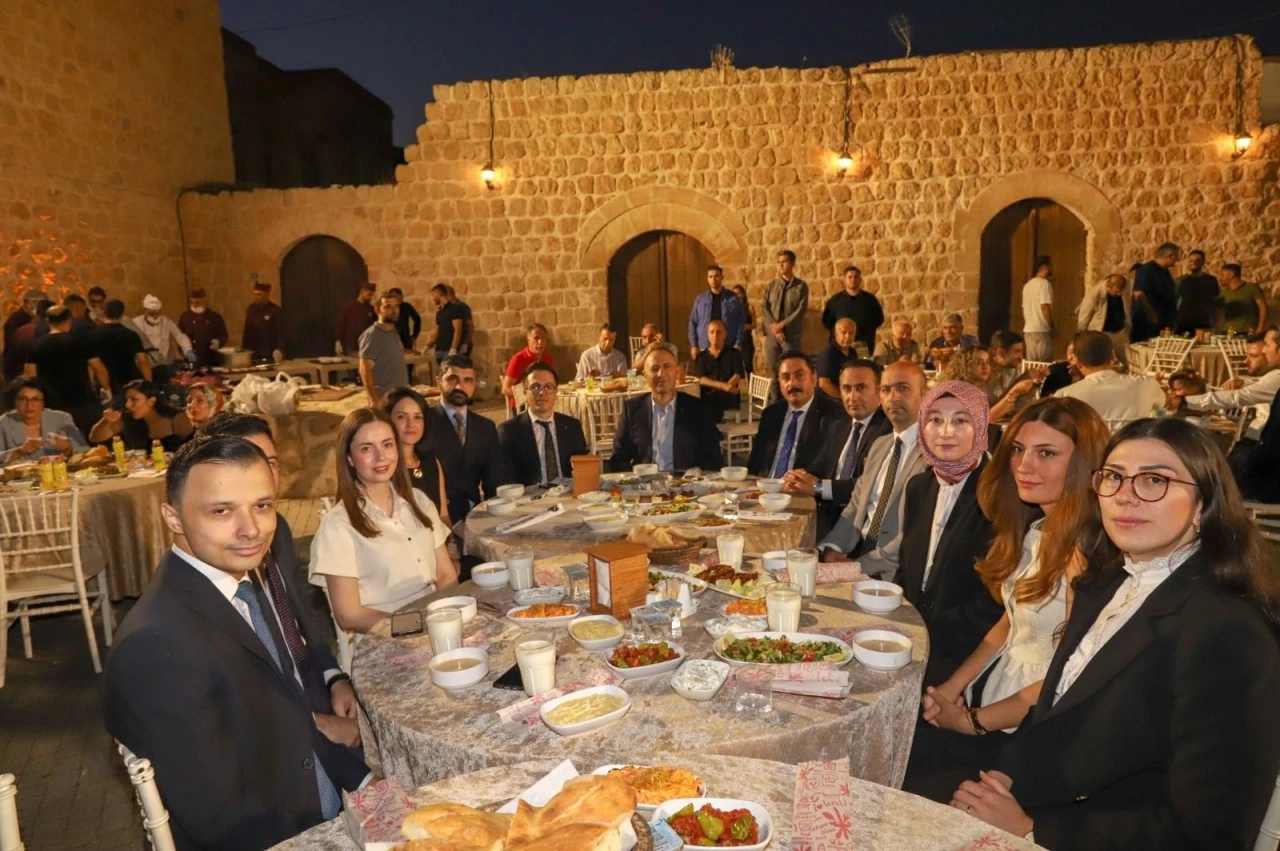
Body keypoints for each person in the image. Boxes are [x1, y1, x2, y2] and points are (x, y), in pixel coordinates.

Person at [954, 419, 1280, 849]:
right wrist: (1002, 779)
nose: (1125, 495)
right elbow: (1054, 710)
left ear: (1203, 504)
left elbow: (1210, 831)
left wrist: (1030, 828)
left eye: (1155, 480)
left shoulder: (1229, 632)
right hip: (1036, 788)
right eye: (1113, 477)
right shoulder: (1105, 581)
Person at [103, 436, 370, 850]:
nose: (252, 530)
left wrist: (367, 783)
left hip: (320, 802)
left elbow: (295, 721)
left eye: (262, 506)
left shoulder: (242, 584)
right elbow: (221, 822)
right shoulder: (155, 646)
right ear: (173, 518)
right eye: (221, 511)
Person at [903, 397, 1108, 802]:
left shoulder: (1083, 551)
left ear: (1084, 464)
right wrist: (951, 688)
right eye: (1018, 449)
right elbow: (1008, 623)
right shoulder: (1038, 529)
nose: (1023, 466)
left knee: (897, 776)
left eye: (1046, 453)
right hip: (994, 698)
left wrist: (971, 722)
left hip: (1031, 728)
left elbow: (1066, 676)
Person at [893, 380, 1003, 689]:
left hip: (967, 650)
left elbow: (993, 599)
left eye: (960, 421)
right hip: (913, 634)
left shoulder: (998, 495)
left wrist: (927, 636)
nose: (945, 432)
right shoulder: (919, 487)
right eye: (935, 419)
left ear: (980, 425)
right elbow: (907, 569)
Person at [310, 408, 459, 632]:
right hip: (383, 636)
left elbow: (445, 575)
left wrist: (444, 620)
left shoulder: (419, 501)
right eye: (367, 448)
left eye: (387, 445)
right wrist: (414, 625)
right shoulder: (338, 526)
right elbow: (348, 615)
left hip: (435, 622)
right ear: (349, 458)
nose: (381, 457)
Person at [817, 361, 929, 577]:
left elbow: (914, 535)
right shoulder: (880, 445)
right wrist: (831, 548)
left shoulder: (932, 456)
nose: (893, 397)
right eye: (886, 390)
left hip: (895, 574)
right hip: (858, 555)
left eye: (903, 388)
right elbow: (855, 506)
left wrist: (856, 567)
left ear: (925, 395)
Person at [783, 359, 891, 538]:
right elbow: (818, 468)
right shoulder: (839, 426)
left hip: (861, 526)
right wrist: (796, 478)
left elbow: (869, 485)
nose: (853, 397)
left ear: (879, 391)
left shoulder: (887, 431)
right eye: (846, 389)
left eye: (861, 388)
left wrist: (819, 487)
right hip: (826, 517)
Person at [421, 355, 509, 523]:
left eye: (467, 380)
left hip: (474, 514)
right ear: (438, 382)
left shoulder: (485, 427)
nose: (459, 386)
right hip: (434, 518)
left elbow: (494, 483)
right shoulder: (424, 423)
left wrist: (496, 519)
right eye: (453, 379)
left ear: (474, 385)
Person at [608, 346, 723, 472]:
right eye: (654, 369)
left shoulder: (698, 410)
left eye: (667, 367)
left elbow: (713, 458)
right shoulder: (632, 410)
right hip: (645, 481)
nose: (661, 374)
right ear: (645, 376)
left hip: (686, 481)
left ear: (677, 371)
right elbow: (618, 458)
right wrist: (634, 478)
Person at [746, 352, 845, 478]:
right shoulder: (771, 414)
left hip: (802, 487)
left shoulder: (833, 417)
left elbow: (829, 469)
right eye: (785, 377)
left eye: (799, 375)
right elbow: (755, 463)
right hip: (766, 485)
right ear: (779, 383)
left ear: (814, 378)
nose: (792, 383)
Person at [1175, 329, 1280, 444]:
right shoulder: (1273, 376)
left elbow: (1238, 397)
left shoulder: (1277, 378)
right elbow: (1261, 385)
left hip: (1264, 442)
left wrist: (1184, 401)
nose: (1264, 350)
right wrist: (1244, 382)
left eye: (1267, 345)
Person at [498, 364, 588, 486]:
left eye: (548, 387)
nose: (542, 392)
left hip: (568, 492)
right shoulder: (509, 431)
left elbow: (584, 469)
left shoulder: (572, 426)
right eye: (535, 387)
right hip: (529, 495)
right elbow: (504, 478)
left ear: (556, 392)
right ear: (524, 392)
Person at [1053, 331, 1165, 430]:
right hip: (1133, 445)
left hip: (1089, 447)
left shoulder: (1064, 396)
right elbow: (1161, 407)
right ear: (1113, 356)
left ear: (1077, 362)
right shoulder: (1146, 384)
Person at [24, 305, 107, 435]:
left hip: (52, 404)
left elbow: (30, 377)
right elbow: (99, 368)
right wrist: (107, 390)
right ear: (69, 321)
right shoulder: (80, 343)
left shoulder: (36, 346)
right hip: (82, 403)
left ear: (48, 322)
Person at [382, 387, 452, 522]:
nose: (411, 424)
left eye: (417, 417)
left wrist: (449, 535)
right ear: (387, 420)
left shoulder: (432, 462)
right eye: (401, 417)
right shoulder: (383, 469)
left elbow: (443, 516)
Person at [89, 379, 192, 451]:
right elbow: (95, 438)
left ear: (151, 401)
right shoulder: (128, 419)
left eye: (134, 399)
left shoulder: (176, 418)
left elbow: (193, 446)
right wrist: (106, 421)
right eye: (126, 400)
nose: (127, 405)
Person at [0, 377, 88, 463]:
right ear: (14, 401)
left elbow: (85, 450)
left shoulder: (62, 418)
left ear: (43, 402)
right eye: (23, 399)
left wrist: (67, 448)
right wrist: (19, 451)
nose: (29, 405)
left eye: (35, 399)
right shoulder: (3, 423)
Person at [761, 249, 809, 388]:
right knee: (774, 373)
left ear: (792, 264)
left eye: (784, 262)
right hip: (773, 336)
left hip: (791, 336)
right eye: (778, 262)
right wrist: (775, 328)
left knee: (791, 371)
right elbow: (765, 309)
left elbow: (800, 310)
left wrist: (782, 325)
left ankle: (791, 399)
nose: (781, 265)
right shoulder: (771, 286)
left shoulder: (801, 286)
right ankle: (776, 400)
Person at [89, 298, 151, 394]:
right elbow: (143, 361)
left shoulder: (93, 336)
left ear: (104, 312)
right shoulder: (131, 335)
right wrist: (149, 385)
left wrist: (105, 389)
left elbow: (95, 365)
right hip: (131, 382)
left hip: (107, 383)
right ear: (122, 314)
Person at [357, 291, 407, 406]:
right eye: (388, 307)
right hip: (384, 399)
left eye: (396, 306)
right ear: (377, 310)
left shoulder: (394, 333)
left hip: (399, 397)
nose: (394, 310)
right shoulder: (372, 335)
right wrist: (374, 399)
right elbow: (364, 370)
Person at [821, 265, 884, 354]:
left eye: (856, 277)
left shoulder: (870, 300)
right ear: (844, 280)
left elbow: (878, 319)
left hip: (863, 344)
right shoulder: (835, 300)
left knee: (862, 363)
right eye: (850, 277)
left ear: (860, 280)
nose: (853, 279)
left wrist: (863, 332)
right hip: (840, 345)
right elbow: (827, 322)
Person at [692, 320, 746, 421]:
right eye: (712, 332)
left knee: (714, 402)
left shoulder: (734, 353)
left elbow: (738, 374)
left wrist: (727, 388)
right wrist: (723, 386)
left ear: (725, 334)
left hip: (728, 395)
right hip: (709, 394)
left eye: (718, 332)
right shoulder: (701, 357)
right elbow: (702, 379)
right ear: (708, 334)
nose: (715, 335)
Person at [687, 265, 743, 361]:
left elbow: (740, 322)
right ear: (707, 279)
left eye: (716, 276)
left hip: (728, 345)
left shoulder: (732, 298)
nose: (713, 279)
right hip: (705, 346)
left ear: (722, 277)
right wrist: (694, 345)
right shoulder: (700, 299)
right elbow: (693, 322)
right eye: (710, 276)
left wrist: (738, 343)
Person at [1075, 274, 1131, 366]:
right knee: (1102, 361)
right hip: (1102, 333)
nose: (1119, 294)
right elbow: (1084, 315)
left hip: (1120, 332)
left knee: (1127, 360)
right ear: (1109, 287)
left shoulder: (1122, 292)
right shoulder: (1094, 294)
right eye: (1116, 292)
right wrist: (1081, 334)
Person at [1130, 242, 1180, 342]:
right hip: (1149, 324)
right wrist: (1152, 316)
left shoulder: (1165, 271)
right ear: (1170, 256)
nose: (1177, 260)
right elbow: (1139, 294)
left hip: (1163, 323)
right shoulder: (1147, 270)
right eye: (1176, 256)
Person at [502, 323, 554, 412]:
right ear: (528, 339)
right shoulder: (518, 359)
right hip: (523, 406)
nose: (540, 342)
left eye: (543, 338)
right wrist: (528, 397)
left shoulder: (548, 359)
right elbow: (505, 389)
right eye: (536, 338)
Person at [133, 294, 193, 369]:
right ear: (145, 311)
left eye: (158, 313)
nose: (155, 316)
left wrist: (188, 351)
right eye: (152, 314)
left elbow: (180, 336)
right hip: (146, 363)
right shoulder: (136, 323)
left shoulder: (166, 322)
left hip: (164, 361)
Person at [815, 318, 870, 398]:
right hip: (831, 399)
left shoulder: (852, 352)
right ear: (836, 334)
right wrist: (844, 398)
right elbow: (824, 384)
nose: (847, 336)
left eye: (851, 333)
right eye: (844, 332)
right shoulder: (828, 355)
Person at [178, 288, 229, 368]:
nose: (195, 305)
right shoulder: (185, 317)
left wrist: (218, 342)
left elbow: (223, 335)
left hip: (210, 359)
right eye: (192, 302)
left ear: (205, 300)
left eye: (198, 303)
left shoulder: (214, 317)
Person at [1173, 249, 1219, 334]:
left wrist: (1215, 322)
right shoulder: (1180, 281)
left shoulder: (1211, 280)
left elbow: (1215, 302)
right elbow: (1174, 301)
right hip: (1183, 322)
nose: (1194, 263)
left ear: (1203, 262)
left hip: (1203, 322)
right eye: (1191, 260)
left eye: (1198, 260)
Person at [2, 289, 43, 382]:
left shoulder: (33, 319)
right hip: (17, 367)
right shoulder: (15, 320)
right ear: (27, 303)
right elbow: (15, 347)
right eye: (35, 302)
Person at [1218, 262, 1267, 335]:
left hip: (1246, 332)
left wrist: (1260, 327)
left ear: (1231, 274)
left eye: (1222, 274)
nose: (1220, 278)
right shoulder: (1223, 292)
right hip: (1227, 332)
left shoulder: (1251, 288)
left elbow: (1263, 307)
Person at [1020, 257, 1055, 362]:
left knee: (1031, 363)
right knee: (1043, 363)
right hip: (1042, 329)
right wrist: (1052, 326)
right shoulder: (1044, 284)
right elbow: (1044, 307)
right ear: (1045, 268)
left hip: (1029, 330)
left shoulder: (1027, 286)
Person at [243, 279, 285, 362]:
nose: (256, 297)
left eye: (259, 294)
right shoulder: (251, 309)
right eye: (254, 294)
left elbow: (282, 332)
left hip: (268, 353)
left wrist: (279, 349)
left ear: (266, 295)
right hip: (253, 353)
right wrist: (244, 349)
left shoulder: (275, 310)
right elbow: (247, 331)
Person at [426, 283, 467, 363]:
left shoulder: (454, 308)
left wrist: (453, 348)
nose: (433, 298)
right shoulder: (440, 312)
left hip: (449, 349)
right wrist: (428, 345)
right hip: (439, 349)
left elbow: (458, 329)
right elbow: (437, 331)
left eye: (434, 295)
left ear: (439, 294)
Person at [335, 282, 377, 358]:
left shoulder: (371, 309)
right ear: (362, 291)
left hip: (366, 345)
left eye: (372, 295)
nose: (370, 297)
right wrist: (338, 340)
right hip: (351, 345)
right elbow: (340, 324)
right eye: (369, 294)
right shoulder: (348, 307)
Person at [733, 284, 756, 371]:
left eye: (738, 293)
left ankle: (750, 380)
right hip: (735, 340)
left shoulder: (749, 307)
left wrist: (746, 326)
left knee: (748, 365)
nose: (736, 296)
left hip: (746, 340)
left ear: (743, 294)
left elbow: (754, 324)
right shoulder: (733, 309)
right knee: (736, 367)